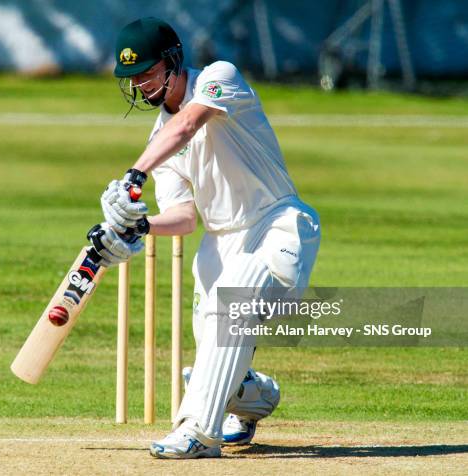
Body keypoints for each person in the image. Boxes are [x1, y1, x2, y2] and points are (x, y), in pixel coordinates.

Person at [88, 17, 321, 459]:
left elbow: (188, 124)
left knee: (235, 300)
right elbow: (183, 216)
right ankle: (254, 398)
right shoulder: (159, 137)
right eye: (132, 79)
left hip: (278, 224)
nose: (140, 85)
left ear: (174, 61)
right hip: (219, 244)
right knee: (213, 359)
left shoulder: (219, 78)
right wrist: (141, 226)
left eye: (148, 72)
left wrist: (135, 173)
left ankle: (199, 431)